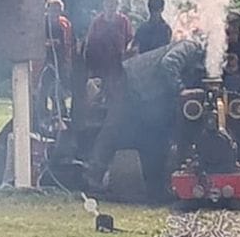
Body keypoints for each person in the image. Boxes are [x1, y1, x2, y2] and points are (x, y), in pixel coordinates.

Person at [83, 39, 207, 197]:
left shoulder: (199, 62)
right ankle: (92, 177)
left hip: (147, 94)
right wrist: (180, 89)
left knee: (154, 139)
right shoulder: (191, 46)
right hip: (131, 81)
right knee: (113, 128)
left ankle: (155, 187)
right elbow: (169, 63)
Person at [83, 0, 133, 91]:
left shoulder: (123, 21)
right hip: (100, 61)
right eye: (109, 5)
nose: (111, 8)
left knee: (116, 88)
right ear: (104, 6)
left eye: (113, 5)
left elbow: (129, 38)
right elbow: (90, 42)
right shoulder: (97, 22)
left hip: (118, 61)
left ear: (117, 6)